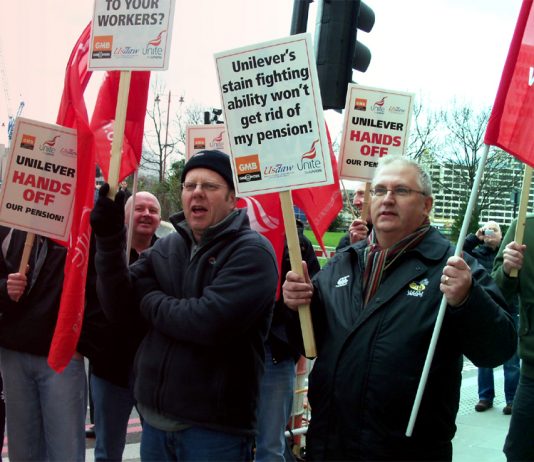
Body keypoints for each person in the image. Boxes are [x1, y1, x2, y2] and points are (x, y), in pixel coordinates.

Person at [283, 156, 517, 461]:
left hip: (405, 450)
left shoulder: (454, 267)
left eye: (402, 191)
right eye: (379, 191)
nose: (387, 199)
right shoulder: (344, 262)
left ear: (426, 205)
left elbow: (497, 349)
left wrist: (468, 298)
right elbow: (308, 344)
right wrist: (297, 305)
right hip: (331, 444)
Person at [90, 149, 279, 461]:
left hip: (214, 432)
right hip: (154, 424)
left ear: (233, 198)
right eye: (190, 186)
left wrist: (149, 299)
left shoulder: (253, 253)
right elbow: (119, 308)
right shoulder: (168, 246)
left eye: (210, 186)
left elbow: (207, 322)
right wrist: (110, 241)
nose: (197, 193)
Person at [79, 191, 161, 461]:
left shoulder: (168, 254)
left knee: (157, 448)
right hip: (109, 370)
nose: (146, 214)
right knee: (107, 449)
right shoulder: (101, 250)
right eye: (139, 208)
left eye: (153, 210)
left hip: (152, 372)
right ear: (124, 216)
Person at [0, 228, 86, 461]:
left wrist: (85, 342)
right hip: (14, 352)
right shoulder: (8, 222)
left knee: (65, 452)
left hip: (63, 354)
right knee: (23, 451)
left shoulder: (82, 222)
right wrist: (4, 288)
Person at [255, 219, 320, 462]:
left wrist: (301, 295)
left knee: (271, 444)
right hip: (232, 354)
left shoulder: (297, 244)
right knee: (227, 439)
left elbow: (315, 297)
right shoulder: (229, 237)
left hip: (275, 355)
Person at [463, 221, 519, 415]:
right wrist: (474, 237)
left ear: (502, 236)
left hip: (510, 308)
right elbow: (457, 252)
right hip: (484, 310)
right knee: (484, 358)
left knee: (512, 359)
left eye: (494, 230)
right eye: (486, 229)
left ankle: (512, 399)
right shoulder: (476, 254)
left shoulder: (507, 254)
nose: (489, 232)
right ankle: (485, 397)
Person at [492, 214, 534, 461]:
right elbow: (495, 291)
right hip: (532, 373)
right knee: (520, 451)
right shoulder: (523, 230)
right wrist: (507, 269)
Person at [336, 181, 371, 252]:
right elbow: (338, 262)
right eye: (354, 195)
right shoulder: (350, 237)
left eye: (362, 194)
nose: (354, 202)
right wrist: (354, 246)